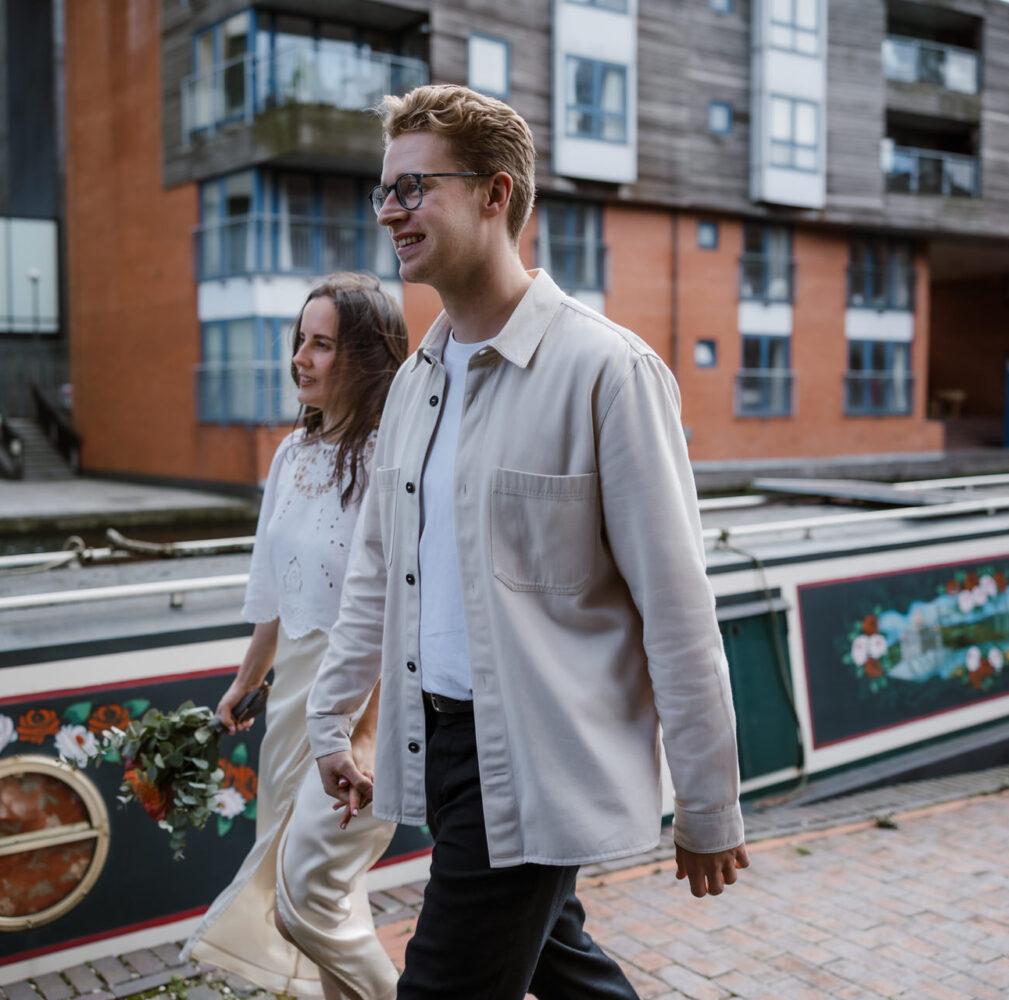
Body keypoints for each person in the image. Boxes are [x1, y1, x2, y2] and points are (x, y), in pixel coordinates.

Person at [306, 85, 751, 1000]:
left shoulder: (608, 373)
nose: (390, 211)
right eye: (383, 191)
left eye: (414, 187)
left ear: (495, 193)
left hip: (541, 761)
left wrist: (708, 806)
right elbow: (378, 575)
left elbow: (677, 609)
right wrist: (331, 721)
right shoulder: (415, 386)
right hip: (437, 749)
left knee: (441, 985)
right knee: (566, 966)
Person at [183, 272, 409, 1000]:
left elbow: (394, 610)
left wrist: (365, 733)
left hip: (360, 704)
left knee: (305, 896)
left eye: (321, 345)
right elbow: (272, 587)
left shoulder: (392, 462)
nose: (300, 359)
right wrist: (246, 681)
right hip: (290, 710)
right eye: (298, 342)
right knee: (324, 900)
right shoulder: (290, 455)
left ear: (367, 357)